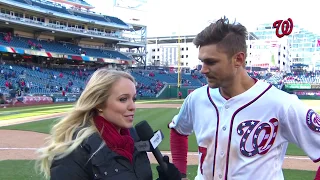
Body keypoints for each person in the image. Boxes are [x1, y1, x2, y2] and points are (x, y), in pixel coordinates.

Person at [168, 16, 320, 180]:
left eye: (210, 62)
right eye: (202, 62)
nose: (203, 70)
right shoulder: (196, 99)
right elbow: (178, 130)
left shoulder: (282, 104)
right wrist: (180, 174)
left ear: (238, 59)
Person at [36, 69, 182, 180]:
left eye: (134, 99)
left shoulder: (133, 137)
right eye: (123, 99)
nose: (133, 106)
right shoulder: (75, 149)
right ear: (99, 103)